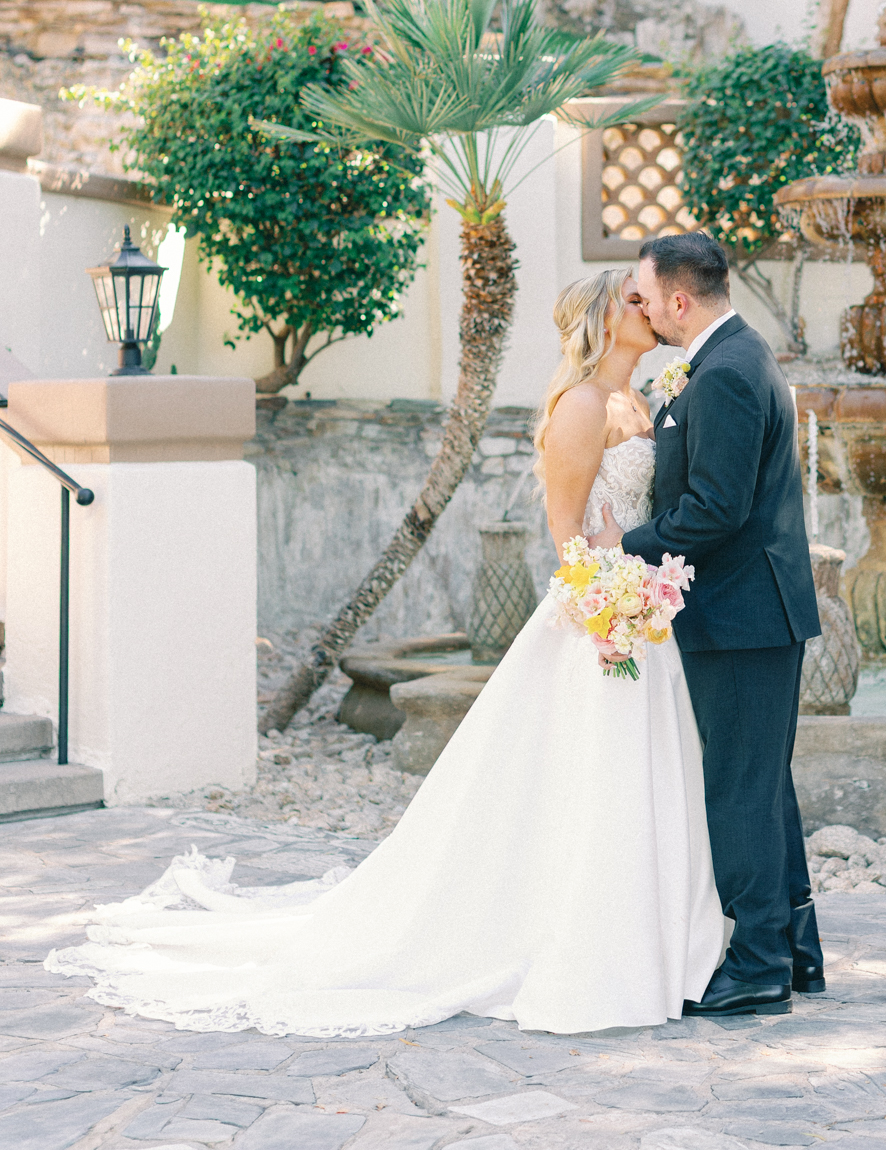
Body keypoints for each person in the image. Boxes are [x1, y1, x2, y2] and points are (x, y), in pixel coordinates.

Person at [46, 269, 725, 1037]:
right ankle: (592, 947)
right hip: (600, 625)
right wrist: (607, 615)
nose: (650, 305)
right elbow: (567, 536)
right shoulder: (579, 406)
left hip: (641, 617)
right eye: (633, 299)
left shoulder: (638, 400)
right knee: (592, 780)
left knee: (633, 779)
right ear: (602, 319)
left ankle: (654, 939)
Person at [589, 231, 825, 1018]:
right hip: (753, 610)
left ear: (679, 301)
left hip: (741, 614)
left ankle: (758, 964)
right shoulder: (734, 356)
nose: (643, 309)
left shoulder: (723, 374)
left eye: (647, 298)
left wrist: (625, 544)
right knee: (763, 786)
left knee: (738, 791)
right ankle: (794, 950)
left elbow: (714, 510)